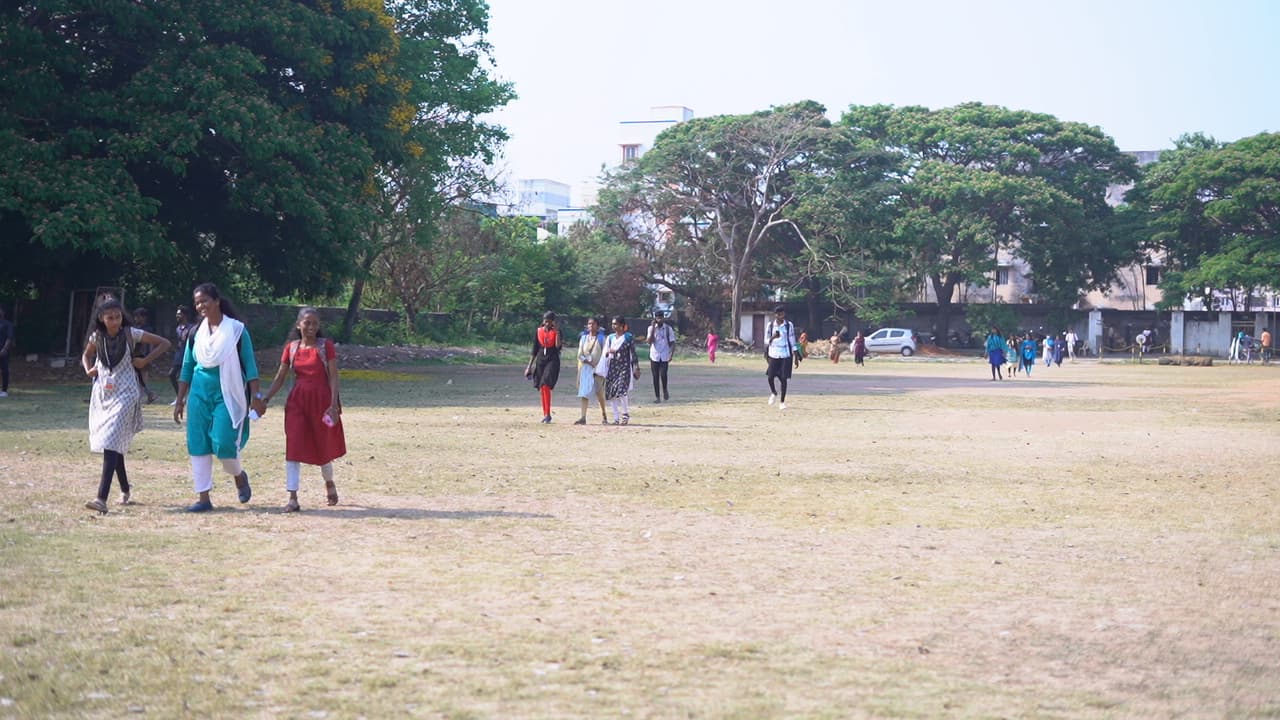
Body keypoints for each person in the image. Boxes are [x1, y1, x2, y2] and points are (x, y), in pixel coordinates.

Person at [173, 283, 266, 512]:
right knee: (198, 444)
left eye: (205, 300)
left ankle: (239, 476)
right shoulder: (196, 333)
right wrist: (180, 398)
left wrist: (256, 395)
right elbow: (187, 366)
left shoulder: (236, 331)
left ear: (216, 301)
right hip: (198, 395)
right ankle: (203, 498)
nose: (201, 305)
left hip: (228, 394)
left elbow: (250, 366)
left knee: (224, 443)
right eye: (197, 302)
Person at [81, 299, 171, 512]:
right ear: (102, 319)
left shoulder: (132, 334)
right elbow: (86, 355)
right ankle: (125, 488)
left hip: (127, 393)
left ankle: (101, 499)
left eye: (118, 316)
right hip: (104, 394)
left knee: (112, 439)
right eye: (110, 318)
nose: (115, 321)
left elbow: (164, 343)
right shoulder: (97, 337)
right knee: (113, 443)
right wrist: (88, 369)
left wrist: (144, 360)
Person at [261, 307, 346, 512]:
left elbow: (333, 376)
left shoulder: (326, 347)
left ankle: (329, 482)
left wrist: (333, 404)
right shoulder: (291, 348)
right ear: (298, 325)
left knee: (322, 446)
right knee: (294, 447)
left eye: (315, 323)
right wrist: (265, 398)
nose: (311, 327)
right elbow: (280, 377)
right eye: (307, 323)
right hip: (297, 403)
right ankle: (293, 497)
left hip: (321, 402)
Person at [601, 315, 640, 425]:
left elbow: (633, 353)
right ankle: (616, 417)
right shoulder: (611, 338)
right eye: (613, 324)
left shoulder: (628, 337)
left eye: (616, 324)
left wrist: (636, 367)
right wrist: (609, 352)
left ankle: (625, 414)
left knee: (622, 391)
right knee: (611, 392)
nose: (614, 326)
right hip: (612, 367)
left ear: (622, 325)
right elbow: (605, 353)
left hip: (624, 367)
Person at [524, 311, 562, 423]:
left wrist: (557, 333)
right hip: (541, 361)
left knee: (545, 385)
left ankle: (548, 414)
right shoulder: (539, 331)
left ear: (553, 322)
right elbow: (534, 349)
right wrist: (529, 366)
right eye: (545, 321)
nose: (546, 323)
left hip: (552, 360)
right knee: (541, 387)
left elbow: (558, 346)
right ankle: (545, 414)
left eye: (549, 321)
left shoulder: (557, 332)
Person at [573, 317, 609, 425]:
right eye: (589, 324)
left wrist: (600, 366)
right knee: (584, 393)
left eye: (593, 324)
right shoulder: (583, 338)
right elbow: (580, 354)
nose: (591, 326)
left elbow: (605, 354)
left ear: (597, 326)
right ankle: (583, 417)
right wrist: (587, 362)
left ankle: (604, 414)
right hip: (585, 369)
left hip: (598, 369)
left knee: (599, 393)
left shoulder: (602, 339)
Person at [764, 305, 797, 409]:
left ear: (784, 314)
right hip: (773, 353)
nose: (780, 316)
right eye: (778, 314)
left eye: (782, 314)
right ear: (775, 315)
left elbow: (792, 339)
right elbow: (766, 340)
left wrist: (795, 353)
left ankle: (782, 402)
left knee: (784, 378)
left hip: (785, 353)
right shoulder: (770, 325)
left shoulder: (788, 325)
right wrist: (773, 337)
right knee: (770, 376)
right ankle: (774, 392)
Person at [167, 305, 196, 405]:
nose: (177, 316)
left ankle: (191, 397)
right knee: (171, 374)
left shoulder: (192, 328)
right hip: (179, 356)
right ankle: (180, 396)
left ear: (185, 315)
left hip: (188, 355)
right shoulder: (178, 328)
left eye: (179, 314)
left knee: (190, 377)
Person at [645, 311, 676, 402]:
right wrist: (653, 329)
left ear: (663, 318)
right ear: (655, 318)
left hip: (664, 354)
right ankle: (657, 397)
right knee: (655, 377)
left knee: (663, 375)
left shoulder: (668, 329)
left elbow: (673, 343)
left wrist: (671, 354)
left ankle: (665, 390)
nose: (659, 319)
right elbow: (649, 341)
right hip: (654, 355)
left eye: (661, 317)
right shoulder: (650, 328)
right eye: (657, 318)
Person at [131, 307, 158, 404]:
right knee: (138, 379)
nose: (136, 319)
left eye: (138, 317)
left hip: (144, 356)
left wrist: (149, 357)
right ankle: (149, 394)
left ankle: (147, 395)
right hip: (136, 356)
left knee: (142, 379)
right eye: (135, 317)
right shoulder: (135, 328)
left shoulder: (148, 329)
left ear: (144, 317)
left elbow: (150, 345)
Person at [0, 305, 13, 397]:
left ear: (3, 312)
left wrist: (4, 349)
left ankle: (4, 391)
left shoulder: (7, 324)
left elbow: (9, 338)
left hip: (3, 351)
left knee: (4, 370)